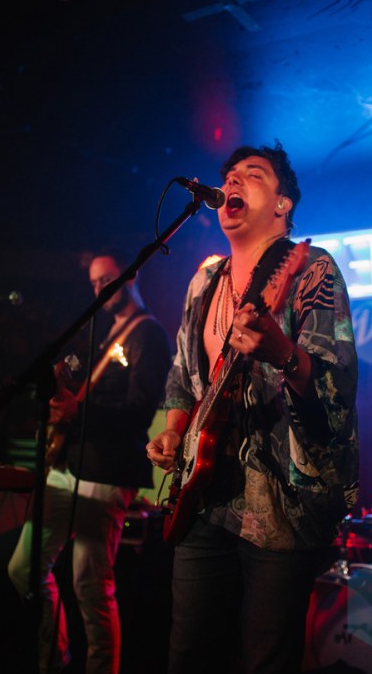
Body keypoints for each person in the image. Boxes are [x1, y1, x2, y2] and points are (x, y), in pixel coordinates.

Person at [146, 143, 359, 674]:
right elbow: (182, 374)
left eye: (253, 174)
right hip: (202, 494)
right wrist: (175, 430)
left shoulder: (311, 268)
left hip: (280, 502)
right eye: (228, 175)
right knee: (188, 654)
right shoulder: (204, 281)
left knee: (266, 658)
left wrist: (282, 353)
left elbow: (336, 385)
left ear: (283, 204)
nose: (232, 181)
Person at [8, 247, 172, 674]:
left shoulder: (148, 335)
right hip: (70, 464)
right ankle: (53, 658)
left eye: (108, 279)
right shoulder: (104, 333)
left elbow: (141, 410)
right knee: (24, 567)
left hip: (108, 471)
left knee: (90, 585)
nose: (101, 288)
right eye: (95, 283)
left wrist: (78, 410)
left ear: (130, 276)